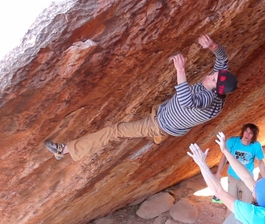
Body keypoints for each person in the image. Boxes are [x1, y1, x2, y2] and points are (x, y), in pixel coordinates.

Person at [45, 34, 238, 161]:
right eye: (213, 75)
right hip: (165, 115)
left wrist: (180, 69)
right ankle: (157, 138)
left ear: (216, 90)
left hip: (158, 124)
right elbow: (222, 60)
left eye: (211, 80)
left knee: (115, 131)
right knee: (159, 117)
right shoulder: (219, 87)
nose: (208, 76)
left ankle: (66, 150)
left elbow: (186, 101)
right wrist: (212, 45)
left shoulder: (208, 100)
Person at [187, 132, 265, 224]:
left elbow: (218, 191)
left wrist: (201, 163)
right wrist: (225, 151)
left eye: (255, 188)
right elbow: (246, 177)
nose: (253, 186)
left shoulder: (254, 215)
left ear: (258, 197)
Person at [215, 123, 265, 204]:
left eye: (250, 133)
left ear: (254, 135)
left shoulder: (256, 145)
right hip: (233, 176)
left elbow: (260, 162)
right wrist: (218, 173)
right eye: (246, 131)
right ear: (243, 131)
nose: (247, 134)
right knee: (232, 202)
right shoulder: (233, 141)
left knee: (248, 202)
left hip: (247, 178)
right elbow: (224, 157)